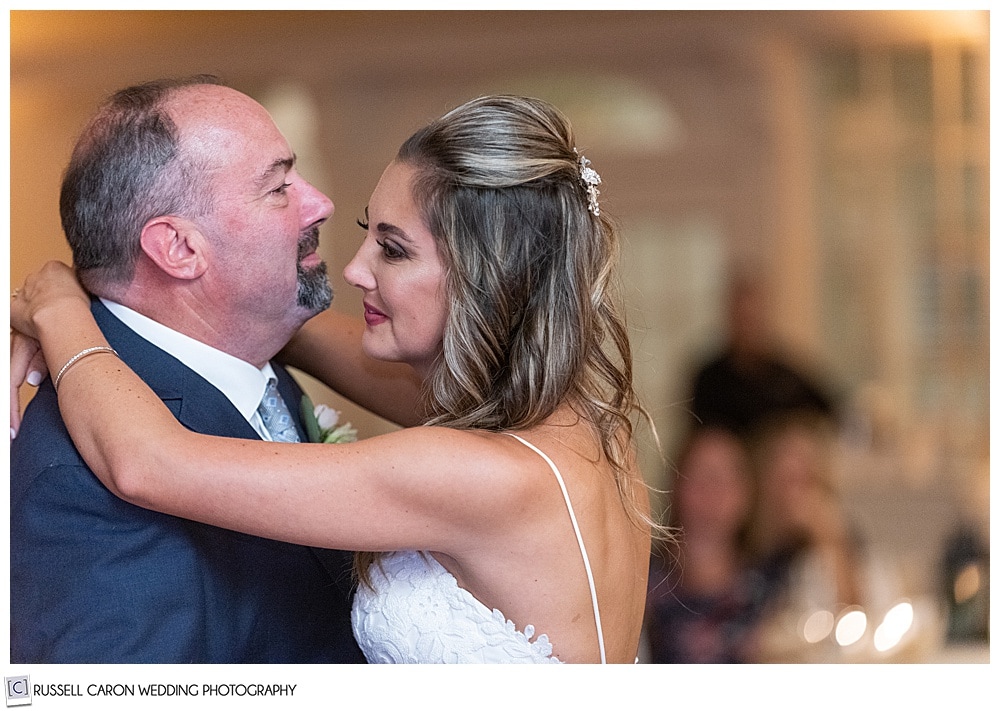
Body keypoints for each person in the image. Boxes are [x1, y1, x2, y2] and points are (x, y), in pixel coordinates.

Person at [11, 94, 656, 664]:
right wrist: (137, 294)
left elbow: (148, 463)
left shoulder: (468, 472)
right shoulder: (584, 423)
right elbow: (290, 333)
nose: (355, 268)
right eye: (363, 233)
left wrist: (58, 307)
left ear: (486, 278)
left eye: (394, 249)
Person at [8, 76, 423, 663]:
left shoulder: (253, 348)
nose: (321, 203)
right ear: (178, 248)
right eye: (279, 187)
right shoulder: (75, 486)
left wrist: (59, 305)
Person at [644, 426, 770, 663]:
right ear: (675, 485)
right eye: (700, 476)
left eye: (726, 478)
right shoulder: (642, 577)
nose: (713, 492)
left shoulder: (769, 586)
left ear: (749, 493)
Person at [687, 271, 837, 438]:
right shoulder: (709, 379)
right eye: (742, 318)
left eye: (754, 318)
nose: (748, 327)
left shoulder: (787, 379)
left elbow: (832, 409)